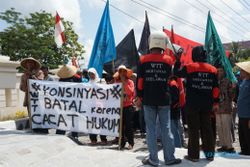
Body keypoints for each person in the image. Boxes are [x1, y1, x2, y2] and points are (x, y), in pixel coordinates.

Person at [136, 31, 181, 166]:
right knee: (166, 129)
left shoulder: (143, 59)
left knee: (150, 129)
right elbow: (172, 76)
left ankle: (153, 160)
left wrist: (139, 96)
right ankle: (169, 158)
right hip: (164, 99)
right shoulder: (168, 60)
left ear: (151, 43)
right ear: (163, 44)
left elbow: (140, 81)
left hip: (148, 99)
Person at [174, 45, 219, 162]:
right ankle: (210, 155)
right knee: (207, 129)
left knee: (193, 130)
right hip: (207, 105)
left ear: (194, 55)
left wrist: (178, 60)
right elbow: (215, 89)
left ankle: (194, 156)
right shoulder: (213, 69)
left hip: (192, 104)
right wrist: (215, 102)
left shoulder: (190, 67)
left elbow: (177, 74)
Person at [56, 65, 80, 140]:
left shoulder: (76, 78)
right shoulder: (61, 79)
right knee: (63, 117)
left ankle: (74, 134)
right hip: (64, 102)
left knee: (74, 118)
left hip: (74, 101)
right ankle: (60, 133)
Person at [114, 65, 135, 150]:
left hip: (128, 107)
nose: (122, 73)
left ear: (126, 72)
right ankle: (121, 142)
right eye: (120, 71)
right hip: (119, 107)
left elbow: (130, 92)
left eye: (124, 71)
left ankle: (131, 143)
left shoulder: (130, 82)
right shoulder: (116, 83)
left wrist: (124, 82)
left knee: (129, 126)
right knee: (120, 126)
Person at [215, 66, 235, 153]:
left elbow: (232, 94)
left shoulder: (227, 81)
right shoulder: (215, 82)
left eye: (221, 71)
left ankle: (229, 146)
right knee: (219, 127)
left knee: (226, 127)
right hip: (217, 108)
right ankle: (223, 145)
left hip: (226, 107)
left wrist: (229, 102)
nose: (219, 73)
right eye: (218, 71)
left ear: (224, 72)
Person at [87, 67, 107, 145]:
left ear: (95, 73)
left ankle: (103, 138)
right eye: (90, 74)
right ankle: (93, 139)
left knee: (101, 122)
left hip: (100, 104)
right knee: (92, 123)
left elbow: (105, 91)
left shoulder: (101, 81)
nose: (91, 75)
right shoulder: (88, 83)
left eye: (92, 74)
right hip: (91, 105)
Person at [235, 61, 250, 156]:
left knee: (248, 135)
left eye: (242, 70)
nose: (240, 72)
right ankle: (244, 150)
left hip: (248, 115)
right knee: (241, 134)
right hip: (241, 114)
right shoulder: (244, 81)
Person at [169, 76, 182, 148]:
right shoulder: (174, 83)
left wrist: (169, 105)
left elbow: (175, 99)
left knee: (174, 130)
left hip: (173, 110)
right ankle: (177, 145)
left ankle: (177, 146)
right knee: (175, 129)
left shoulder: (172, 84)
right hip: (175, 109)